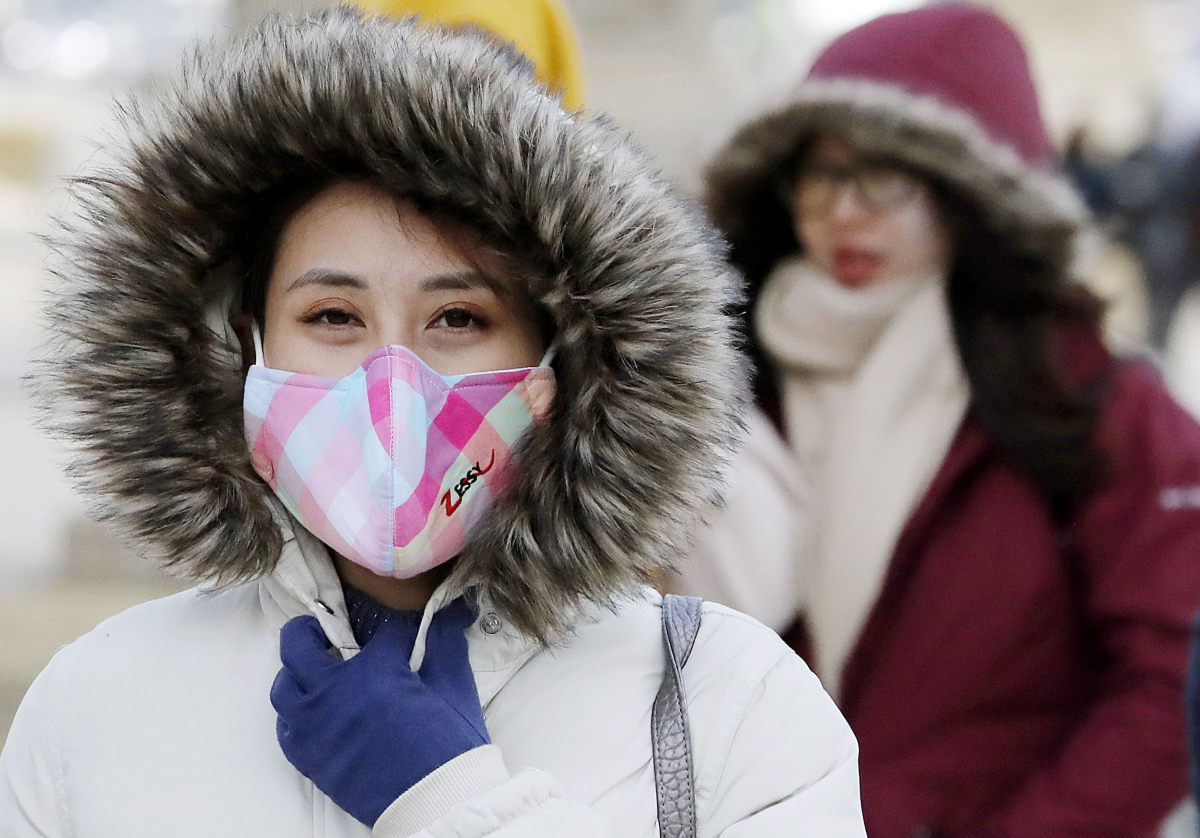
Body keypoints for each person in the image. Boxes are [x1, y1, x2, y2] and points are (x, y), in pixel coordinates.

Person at [0, 9, 866, 838]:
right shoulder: (98, 705)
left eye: (458, 319)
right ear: (244, 350)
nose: (393, 381)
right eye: (334, 317)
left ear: (555, 363)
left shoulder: (726, 701)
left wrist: (450, 803)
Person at [675, 4, 1200, 837]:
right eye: (819, 175)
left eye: (886, 176)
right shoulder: (718, 378)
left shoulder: (1093, 401)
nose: (844, 211)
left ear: (971, 193)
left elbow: (1169, 674)